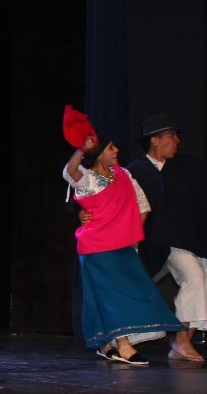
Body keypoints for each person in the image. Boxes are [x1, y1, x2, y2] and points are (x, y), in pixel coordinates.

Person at [62, 124, 185, 365]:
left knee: (132, 291)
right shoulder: (88, 179)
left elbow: (142, 206)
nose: (116, 150)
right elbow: (69, 172)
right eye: (110, 147)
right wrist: (81, 149)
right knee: (111, 294)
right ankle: (123, 344)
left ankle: (106, 344)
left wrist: (129, 235)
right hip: (96, 247)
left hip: (122, 246)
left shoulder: (124, 175)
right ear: (98, 154)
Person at [123, 113, 207, 363]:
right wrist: (84, 211)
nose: (177, 140)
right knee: (194, 275)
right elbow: (115, 199)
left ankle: (183, 339)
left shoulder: (186, 166)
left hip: (183, 241)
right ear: (155, 140)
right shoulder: (136, 171)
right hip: (155, 243)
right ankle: (179, 340)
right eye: (171, 136)